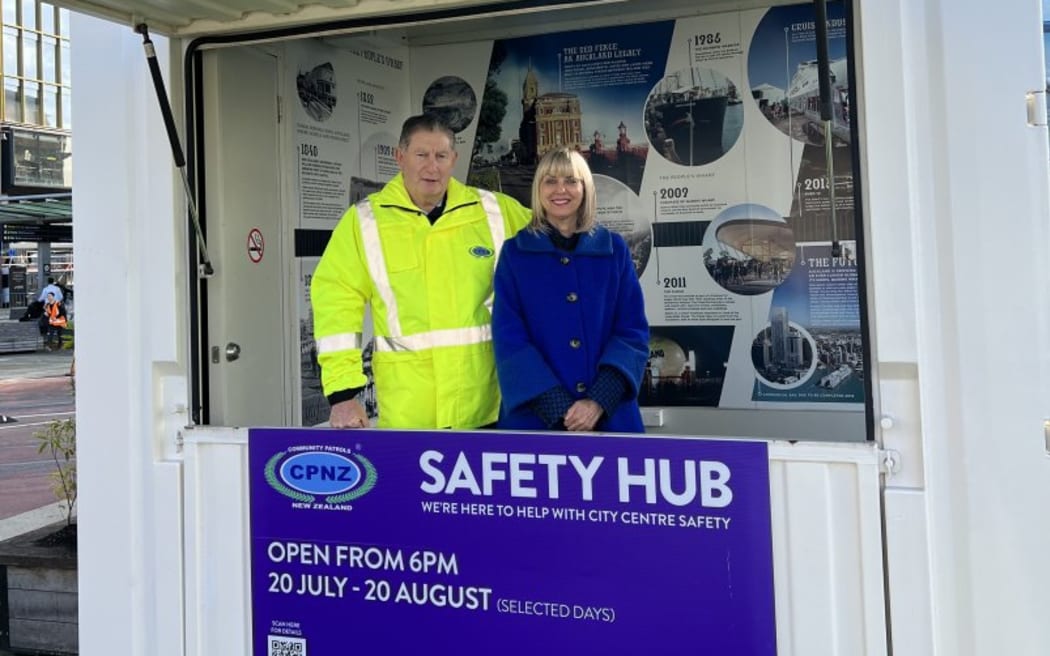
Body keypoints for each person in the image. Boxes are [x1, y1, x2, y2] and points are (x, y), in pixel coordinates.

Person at [311, 114, 531, 429]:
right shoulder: (364, 223)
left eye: (441, 155)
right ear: (399, 157)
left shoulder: (495, 211)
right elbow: (336, 305)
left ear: (454, 159)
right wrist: (343, 394)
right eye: (421, 155)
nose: (433, 166)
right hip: (408, 416)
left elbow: (556, 244)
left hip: (487, 409)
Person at [492, 147, 649, 433]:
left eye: (570, 180)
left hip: (609, 419)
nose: (560, 189)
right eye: (549, 181)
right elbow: (509, 338)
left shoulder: (614, 251)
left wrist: (598, 402)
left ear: (585, 188)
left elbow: (632, 333)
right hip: (536, 420)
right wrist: (556, 406)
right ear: (538, 189)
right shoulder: (515, 254)